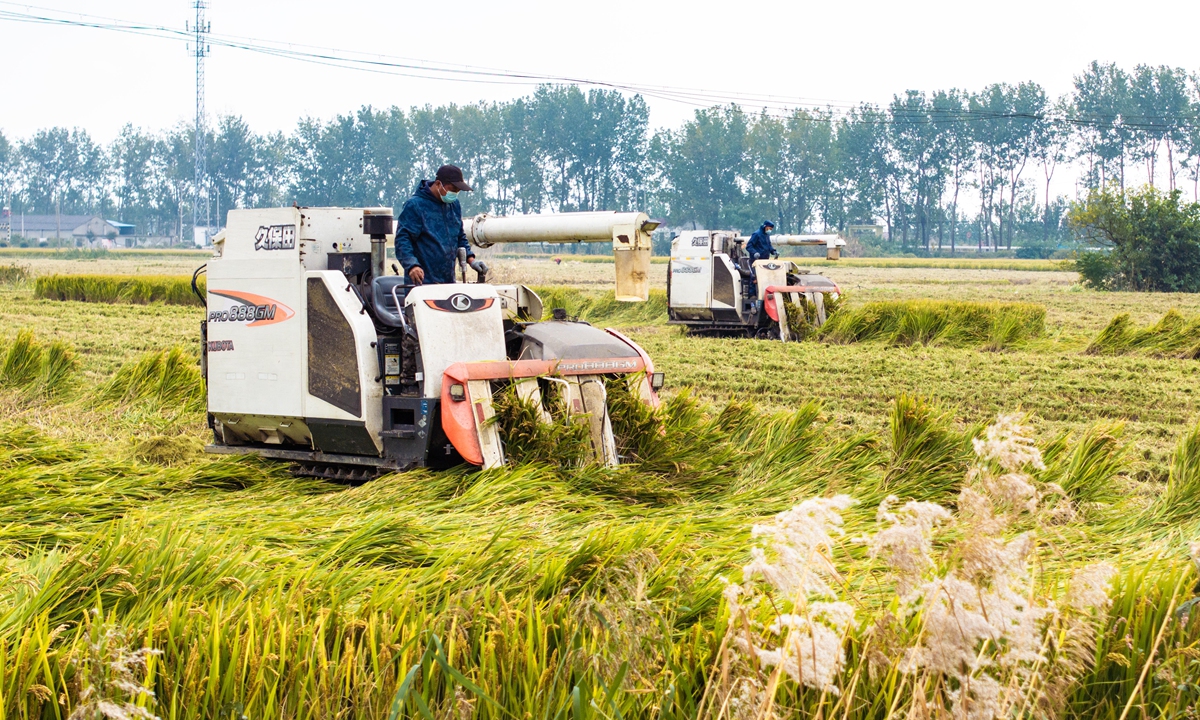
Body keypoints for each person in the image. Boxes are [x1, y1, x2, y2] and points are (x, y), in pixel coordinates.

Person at [395, 164, 487, 285]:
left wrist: (471, 260)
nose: (455, 194)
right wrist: (412, 265)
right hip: (422, 281)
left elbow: (459, 236)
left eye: (457, 191)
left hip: (448, 281)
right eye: (452, 190)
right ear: (438, 184)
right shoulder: (415, 205)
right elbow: (403, 240)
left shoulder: (454, 205)